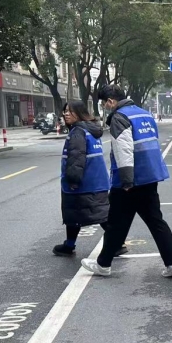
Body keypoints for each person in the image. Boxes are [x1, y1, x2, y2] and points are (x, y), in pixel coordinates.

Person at [81, 85, 172, 278]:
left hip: (129, 180)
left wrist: (127, 182)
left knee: (116, 222)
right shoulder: (144, 114)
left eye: (105, 103)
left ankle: (103, 264)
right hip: (150, 176)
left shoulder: (119, 117)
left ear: (111, 101)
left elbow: (124, 150)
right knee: (153, 221)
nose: (105, 107)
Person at [53, 102, 110, 255]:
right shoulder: (90, 130)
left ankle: (116, 243)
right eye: (65, 111)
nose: (66, 114)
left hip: (84, 185)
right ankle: (69, 244)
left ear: (79, 113)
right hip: (98, 182)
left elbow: (76, 159)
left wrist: (73, 180)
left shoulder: (78, 131)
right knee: (81, 215)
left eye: (70, 112)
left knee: (96, 216)